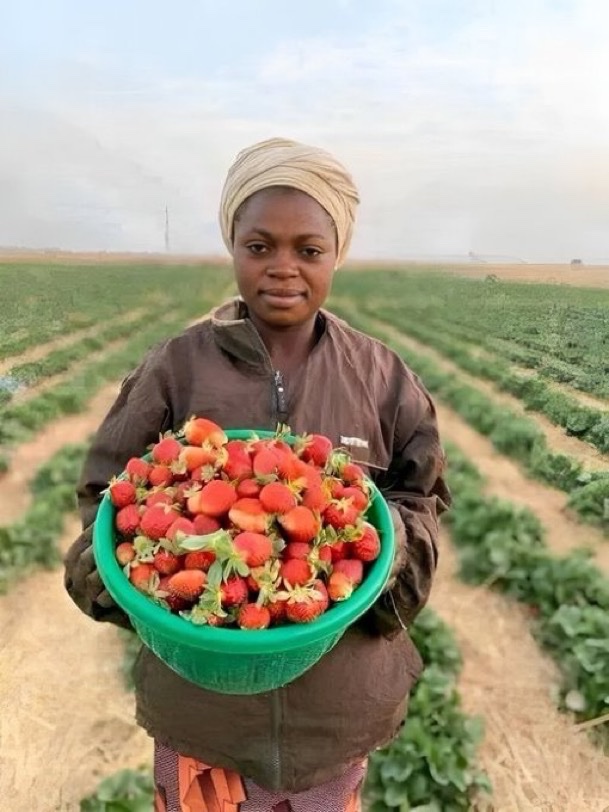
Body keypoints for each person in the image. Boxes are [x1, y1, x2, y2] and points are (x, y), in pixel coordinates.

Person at [64, 137, 451, 812]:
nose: (282, 269)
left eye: (308, 250)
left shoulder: (383, 378)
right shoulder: (176, 368)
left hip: (334, 711)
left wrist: (386, 547)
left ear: (336, 256)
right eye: (258, 246)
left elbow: (420, 496)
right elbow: (108, 492)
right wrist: (121, 573)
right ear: (232, 246)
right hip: (201, 708)